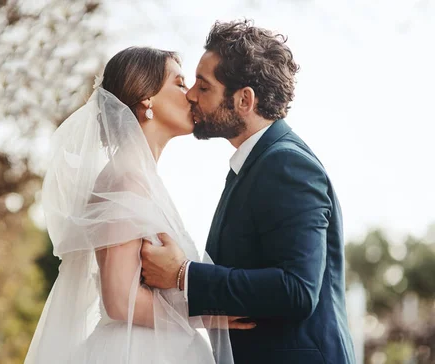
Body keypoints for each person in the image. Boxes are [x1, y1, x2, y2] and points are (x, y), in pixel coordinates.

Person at [141, 20, 356, 364]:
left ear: (244, 100)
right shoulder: (256, 163)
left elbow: (297, 291)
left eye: (204, 86)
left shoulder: (286, 165)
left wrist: (184, 274)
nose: (191, 95)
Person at [24, 47, 251, 364]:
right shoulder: (125, 179)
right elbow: (118, 299)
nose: (190, 95)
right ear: (147, 98)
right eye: (179, 82)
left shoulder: (137, 176)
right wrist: (208, 315)